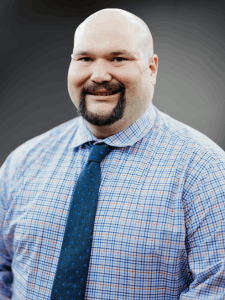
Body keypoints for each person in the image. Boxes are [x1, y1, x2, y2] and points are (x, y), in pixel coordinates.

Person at [0, 8, 225, 300]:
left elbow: (215, 289)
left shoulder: (205, 170)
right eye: (85, 59)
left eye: (118, 58)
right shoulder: (23, 162)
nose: (99, 74)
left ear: (152, 68)